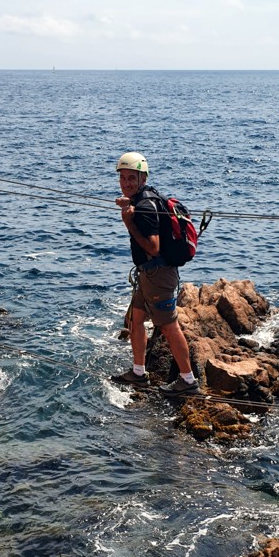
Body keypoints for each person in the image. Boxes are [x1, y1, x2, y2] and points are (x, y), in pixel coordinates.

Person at [112, 151, 199, 396]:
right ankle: (138, 373)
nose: (126, 183)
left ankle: (188, 380)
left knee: (169, 327)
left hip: (158, 276)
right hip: (149, 274)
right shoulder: (145, 198)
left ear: (143, 178)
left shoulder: (145, 207)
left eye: (132, 178)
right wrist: (128, 205)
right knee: (135, 319)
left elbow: (153, 247)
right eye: (123, 178)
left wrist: (129, 222)